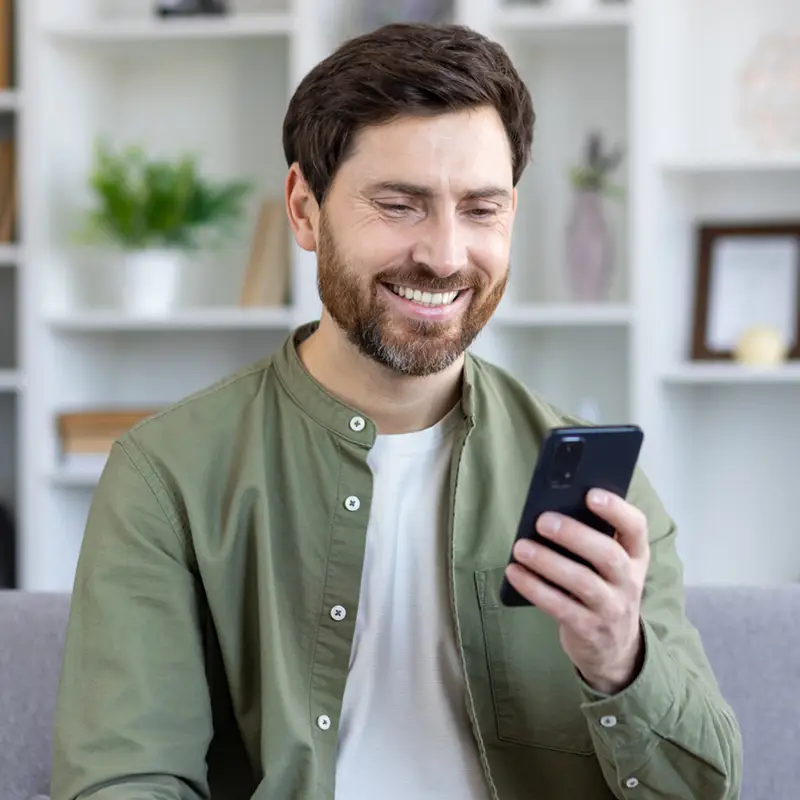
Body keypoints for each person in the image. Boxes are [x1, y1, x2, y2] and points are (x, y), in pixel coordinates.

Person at [50, 21, 743, 800]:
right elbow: (124, 781)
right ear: (304, 209)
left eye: (480, 209)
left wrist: (621, 658)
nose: (446, 255)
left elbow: (705, 789)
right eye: (400, 204)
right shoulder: (167, 476)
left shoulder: (601, 494)